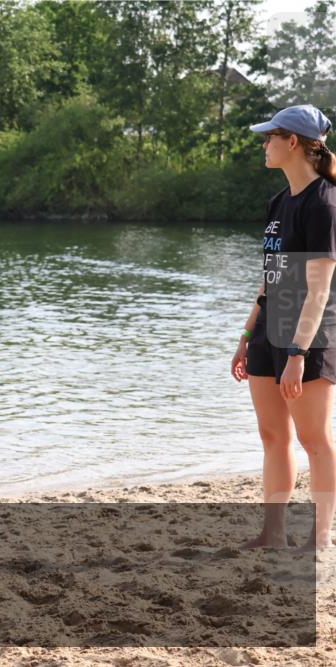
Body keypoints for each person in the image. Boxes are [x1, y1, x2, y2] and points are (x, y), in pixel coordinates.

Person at [231, 104, 336, 551]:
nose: (264, 144)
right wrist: (246, 336)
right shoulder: (279, 202)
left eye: (269, 136)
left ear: (292, 141)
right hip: (268, 333)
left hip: (308, 339)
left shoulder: (324, 204)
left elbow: (318, 289)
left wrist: (296, 354)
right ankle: (273, 533)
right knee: (273, 435)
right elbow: (270, 277)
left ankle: (321, 535)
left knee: (313, 439)